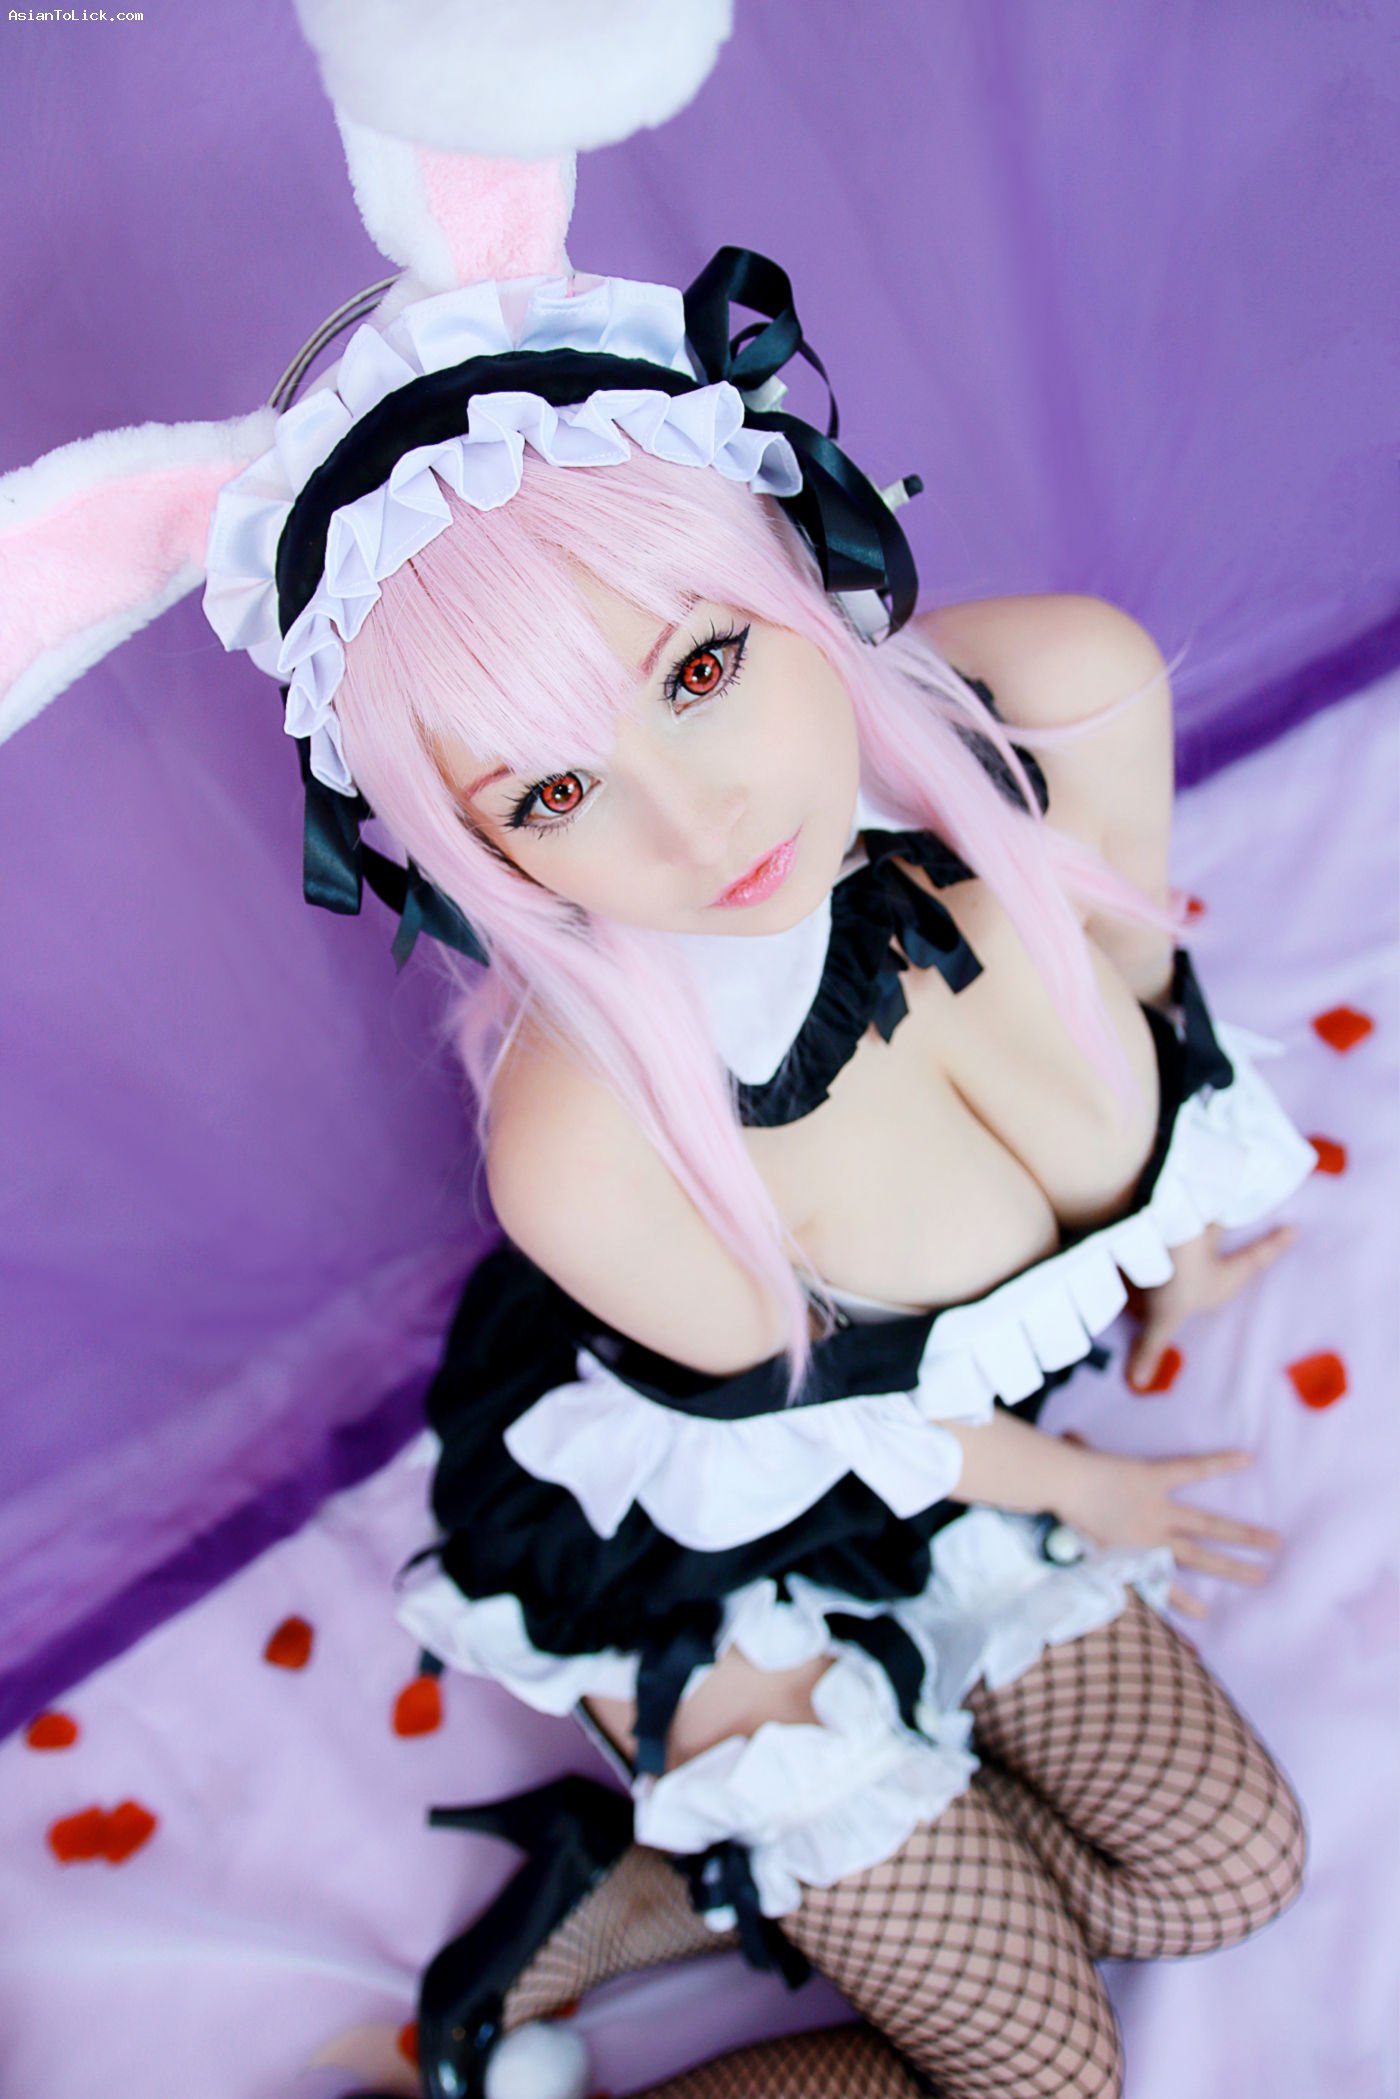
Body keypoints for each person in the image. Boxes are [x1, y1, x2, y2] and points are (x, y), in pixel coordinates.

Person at [0, 89, 1315, 2099]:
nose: (698, 831)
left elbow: (1133, 1003)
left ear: (789, 543)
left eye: (701, 667)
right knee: (1046, 2080)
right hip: (704, 1535)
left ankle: (650, 1892)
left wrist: (1167, 1237)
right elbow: (820, 1432)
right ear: (456, 849)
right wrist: (1086, 1488)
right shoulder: (582, 1145)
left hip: (904, 1447)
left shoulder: (1056, 700)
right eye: (547, 793)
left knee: (1224, 1877)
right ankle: (528, 2004)